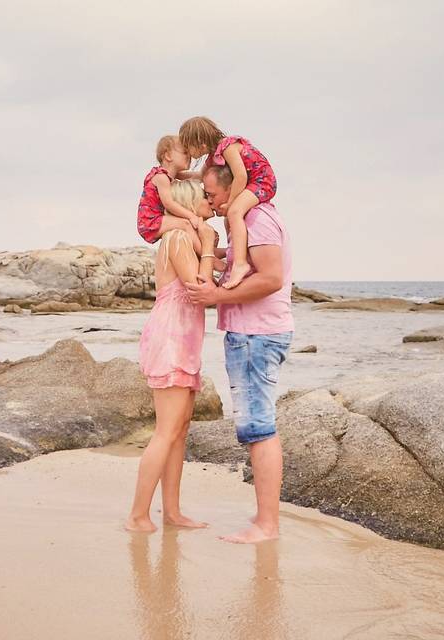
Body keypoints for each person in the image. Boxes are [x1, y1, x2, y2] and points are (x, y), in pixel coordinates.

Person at [185, 163, 294, 544]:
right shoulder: (246, 221)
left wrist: (218, 296)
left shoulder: (256, 217)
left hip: (256, 335)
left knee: (259, 429)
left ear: (232, 189)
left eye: (212, 195)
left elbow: (270, 277)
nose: (209, 202)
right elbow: (245, 272)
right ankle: (266, 516)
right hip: (254, 334)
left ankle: (267, 525)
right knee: (256, 428)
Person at [127, 180, 218, 533]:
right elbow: (200, 288)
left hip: (184, 340)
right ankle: (137, 515)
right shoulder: (178, 238)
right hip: (170, 340)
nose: (210, 200)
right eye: (205, 197)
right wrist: (209, 245)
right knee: (166, 431)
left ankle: (173, 512)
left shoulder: (187, 239)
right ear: (190, 202)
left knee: (179, 431)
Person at [179, 116, 277, 290]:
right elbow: (200, 177)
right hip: (251, 183)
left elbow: (241, 176)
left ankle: (240, 264)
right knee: (229, 219)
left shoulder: (228, 146)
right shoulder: (212, 158)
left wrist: (231, 203)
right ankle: (236, 255)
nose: (188, 153)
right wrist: (179, 175)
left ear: (200, 143)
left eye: (188, 148)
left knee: (233, 213)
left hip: (262, 181)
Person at [137, 135, 203, 248]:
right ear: (168, 156)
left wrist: (209, 172)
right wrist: (191, 216)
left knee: (188, 227)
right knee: (186, 224)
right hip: (150, 222)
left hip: (155, 220)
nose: (190, 157)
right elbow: (169, 203)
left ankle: (210, 249)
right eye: (185, 152)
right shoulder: (161, 177)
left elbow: (194, 176)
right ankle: (206, 253)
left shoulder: (169, 175)